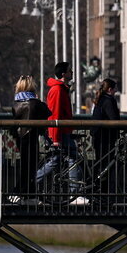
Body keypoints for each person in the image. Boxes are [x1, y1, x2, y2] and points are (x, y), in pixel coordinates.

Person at [45, 61, 85, 204]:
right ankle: (74, 195)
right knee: (72, 160)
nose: (72, 72)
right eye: (70, 70)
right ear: (64, 74)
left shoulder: (61, 89)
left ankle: (31, 186)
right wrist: (55, 138)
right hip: (61, 133)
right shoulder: (57, 90)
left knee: (58, 161)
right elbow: (54, 115)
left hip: (63, 132)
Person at [12, 75, 51, 203]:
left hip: (20, 138)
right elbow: (48, 113)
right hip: (32, 138)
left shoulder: (16, 103)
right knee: (31, 167)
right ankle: (22, 193)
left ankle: (22, 194)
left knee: (24, 167)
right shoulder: (35, 103)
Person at [91, 78, 121, 195]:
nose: (116, 91)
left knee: (100, 162)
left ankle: (99, 189)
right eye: (115, 89)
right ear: (110, 89)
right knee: (106, 164)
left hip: (99, 136)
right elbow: (113, 118)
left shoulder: (102, 99)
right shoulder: (109, 101)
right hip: (106, 137)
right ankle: (103, 191)